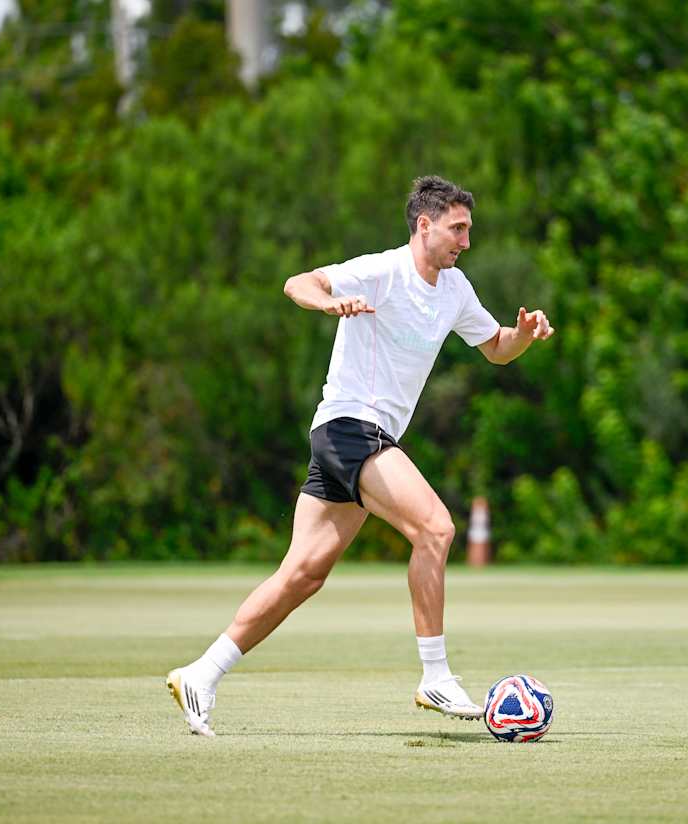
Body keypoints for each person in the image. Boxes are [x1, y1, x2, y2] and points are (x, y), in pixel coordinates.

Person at [167, 176, 555, 737]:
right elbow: (298, 282)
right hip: (351, 427)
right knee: (437, 529)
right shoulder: (383, 270)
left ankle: (200, 674)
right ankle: (436, 675)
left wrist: (522, 333)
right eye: (458, 229)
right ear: (424, 225)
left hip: (355, 437)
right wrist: (328, 301)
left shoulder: (454, 288)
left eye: (468, 230)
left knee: (302, 575)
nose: (466, 241)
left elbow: (495, 348)